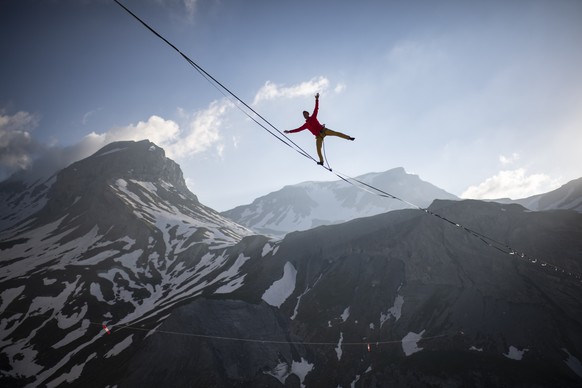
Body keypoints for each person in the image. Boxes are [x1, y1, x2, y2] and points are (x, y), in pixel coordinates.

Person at [284, 93, 354, 165]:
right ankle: (321, 161)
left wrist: (317, 99)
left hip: (324, 131)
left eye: (305, 114)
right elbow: (298, 129)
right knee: (318, 149)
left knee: (336, 133)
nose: (304, 115)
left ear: (308, 114)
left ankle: (349, 137)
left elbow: (316, 108)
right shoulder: (306, 125)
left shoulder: (313, 116)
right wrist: (289, 131)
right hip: (319, 137)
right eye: (303, 115)